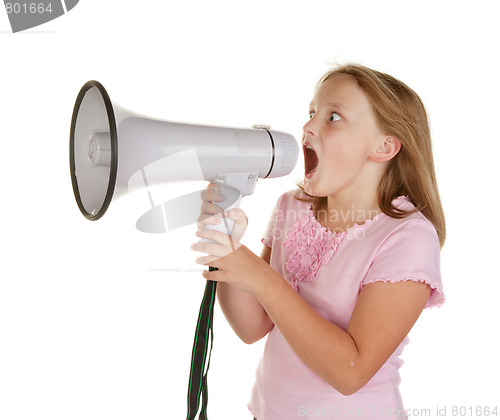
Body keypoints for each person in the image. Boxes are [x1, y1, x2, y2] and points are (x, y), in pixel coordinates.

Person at [191, 63, 445, 420]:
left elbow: (351, 371)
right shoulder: (291, 208)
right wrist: (226, 247)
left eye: (334, 117)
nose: (308, 126)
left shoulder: (407, 237)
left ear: (384, 146)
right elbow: (252, 328)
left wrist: (260, 277)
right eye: (311, 113)